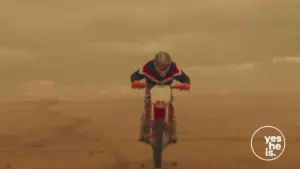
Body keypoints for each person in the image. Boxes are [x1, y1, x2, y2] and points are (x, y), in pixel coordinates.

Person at [130, 51, 191, 143]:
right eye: (161, 65)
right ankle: (144, 133)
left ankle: (172, 132)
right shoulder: (148, 66)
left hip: (167, 87)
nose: (164, 68)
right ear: (155, 63)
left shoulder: (173, 67)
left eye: (166, 65)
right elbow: (135, 75)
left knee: (170, 106)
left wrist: (186, 84)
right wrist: (135, 82)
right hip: (151, 87)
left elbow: (184, 77)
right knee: (147, 106)